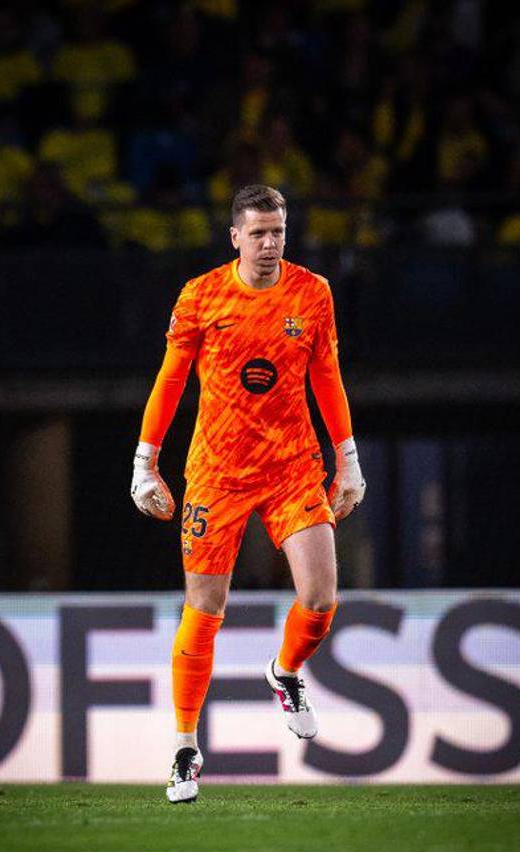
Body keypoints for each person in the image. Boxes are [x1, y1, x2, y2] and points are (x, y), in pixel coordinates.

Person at [130, 184, 365, 803]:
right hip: (217, 472)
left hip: (291, 466)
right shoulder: (201, 295)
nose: (269, 244)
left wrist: (348, 460)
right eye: (257, 233)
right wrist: (145, 462)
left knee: (321, 598)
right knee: (204, 609)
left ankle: (284, 672)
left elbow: (327, 376)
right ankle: (185, 749)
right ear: (234, 236)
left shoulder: (312, 293)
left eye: (278, 232)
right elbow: (171, 379)